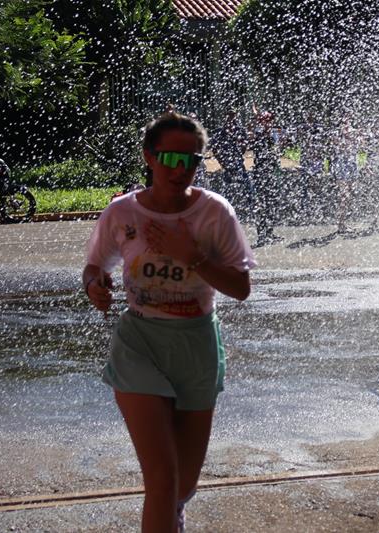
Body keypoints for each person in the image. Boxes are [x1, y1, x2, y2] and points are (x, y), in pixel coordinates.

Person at [83, 110, 256, 533]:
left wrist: (191, 254)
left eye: (192, 160)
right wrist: (95, 286)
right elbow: (93, 267)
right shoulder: (122, 213)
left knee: (183, 483)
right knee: (161, 479)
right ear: (149, 157)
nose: (181, 170)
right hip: (140, 343)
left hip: (196, 345)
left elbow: (241, 287)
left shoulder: (215, 213)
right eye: (171, 159)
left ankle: (175, 512)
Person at [210, 110, 254, 221]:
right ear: (225, 117)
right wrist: (223, 163)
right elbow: (214, 149)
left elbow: (245, 147)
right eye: (229, 116)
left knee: (248, 188)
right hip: (227, 166)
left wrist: (241, 144)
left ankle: (252, 210)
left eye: (233, 116)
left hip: (239, 165)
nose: (231, 118)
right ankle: (225, 214)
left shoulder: (240, 130)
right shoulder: (220, 132)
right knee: (227, 191)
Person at [250, 110, 283, 246]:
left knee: (272, 204)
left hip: (270, 173)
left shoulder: (272, 135)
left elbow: (275, 152)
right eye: (266, 121)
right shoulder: (258, 135)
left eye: (269, 121)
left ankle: (269, 233)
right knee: (261, 205)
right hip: (260, 174)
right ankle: (261, 236)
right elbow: (256, 145)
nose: (269, 124)